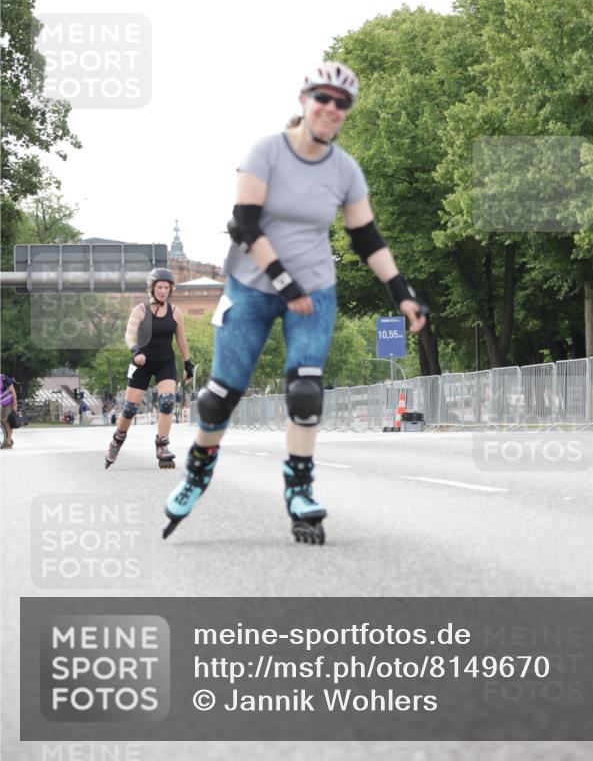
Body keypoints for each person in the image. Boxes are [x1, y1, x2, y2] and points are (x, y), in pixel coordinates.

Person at [163, 61, 426, 543]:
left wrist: (403, 294)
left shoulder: (345, 169)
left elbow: (366, 237)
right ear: (304, 101)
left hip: (316, 290)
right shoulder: (267, 152)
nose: (330, 108)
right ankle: (197, 474)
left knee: (306, 391)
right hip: (251, 284)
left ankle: (299, 491)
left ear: (347, 113)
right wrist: (285, 283)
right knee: (219, 396)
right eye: (322, 98)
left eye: (341, 103)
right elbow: (244, 224)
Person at [104, 268, 195, 469]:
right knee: (129, 410)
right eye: (160, 287)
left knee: (167, 402)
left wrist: (188, 363)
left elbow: (181, 339)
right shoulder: (141, 310)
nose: (163, 291)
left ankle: (162, 446)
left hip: (165, 362)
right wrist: (135, 351)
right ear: (152, 288)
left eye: (166, 287)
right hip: (141, 363)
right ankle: (117, 441)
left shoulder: (175, 312)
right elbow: (128, 336)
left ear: (171, 289)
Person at [1, 372, 19, 449]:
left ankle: (8, 441)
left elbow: (13, 392)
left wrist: (15, 405)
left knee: (7, 421)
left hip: (9, 402)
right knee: (2, 421)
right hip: (1, 403)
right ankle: (5, 440)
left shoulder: (4, 378)